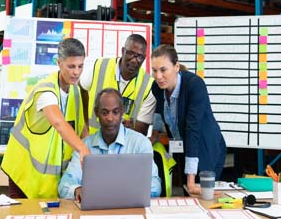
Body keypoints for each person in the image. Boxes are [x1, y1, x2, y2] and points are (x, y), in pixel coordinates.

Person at [1, 38, 90, 199]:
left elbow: (82, 130)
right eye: (71, 66)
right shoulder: (46, 91)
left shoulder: (75, 92)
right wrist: (82, 149)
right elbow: (59, 123)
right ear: (59, 63)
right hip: (24, 174)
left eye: (80, 66)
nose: (76, 72)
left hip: (49, 181)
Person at [58, 88, 161, 201]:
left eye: (115, 112)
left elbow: (155, 185)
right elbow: (65, 184)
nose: (110, 118)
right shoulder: (84, 146)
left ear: (122, 112)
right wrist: (77, 189)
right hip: (95, 212)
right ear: (96, 112)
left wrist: (123, 193)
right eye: (105, 112)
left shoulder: (140, 143)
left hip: (130, 211)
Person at [150, 44, 226, 195]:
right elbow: (159, 111)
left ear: (176, 66)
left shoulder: (194, 85)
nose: (158, 76)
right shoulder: (157, 86)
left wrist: (190, 181)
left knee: (202, 198)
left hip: (205, 149)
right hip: (182, 149)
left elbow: (193, 129)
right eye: (154, 70)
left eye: (163, 70)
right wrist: (154, 136)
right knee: (188, 197)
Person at [79, 34, 156, 135]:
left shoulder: (149, 85)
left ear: (144, 58)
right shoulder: (100, 66)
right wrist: (85, 123)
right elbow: (82, 88)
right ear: (123, 51)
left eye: (139, 56)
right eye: (130, 53)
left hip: (125, 147)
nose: (134, 60)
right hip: (94, 141)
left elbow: (142, 130)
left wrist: (131, 130)